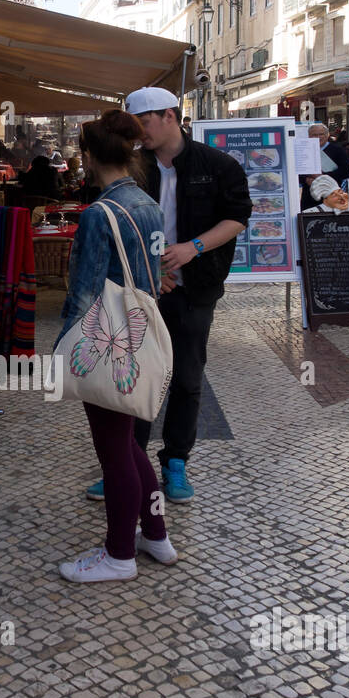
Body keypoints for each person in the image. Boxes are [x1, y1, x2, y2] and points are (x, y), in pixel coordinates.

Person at [87, 88, 251, 506]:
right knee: (134, 374)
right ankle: (127, 462)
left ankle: (176, 460)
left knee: (187, 375)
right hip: (142, 286)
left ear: (171, 116)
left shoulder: (217, 165)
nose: (138, 133)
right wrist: (149, 272)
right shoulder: (132, 168)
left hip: (197, 286)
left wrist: (192, 248)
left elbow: (237, 218)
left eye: (144, 122)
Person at [55, 109, 175, 582]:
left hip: (107, 343)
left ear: (88, 155)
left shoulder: (97, 214)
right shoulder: (147, 203)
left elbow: (84, 294)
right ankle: (156, 534)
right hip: (140, 335)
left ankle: (119, 554)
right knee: (130, 445)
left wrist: (65, 348)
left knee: (114, 451)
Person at [301, 124, 349, 209]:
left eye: (321, 134)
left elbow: (346, 171)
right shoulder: (303, 150)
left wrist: (323, 177)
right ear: (309, 136)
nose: (318, 137)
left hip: (332, 194)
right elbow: (296, 172)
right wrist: (305, 179)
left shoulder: (337, 150)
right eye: (314, 135)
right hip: (309, 196)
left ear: (327, 135)